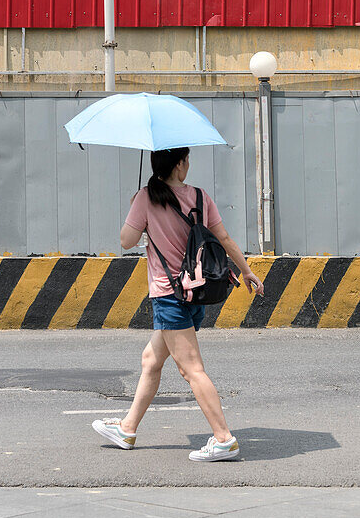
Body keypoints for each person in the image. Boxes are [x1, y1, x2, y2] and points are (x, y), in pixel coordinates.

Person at [92, 146, 264, 462]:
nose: (188, 165)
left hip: (169, 295)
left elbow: (125, 241)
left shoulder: (146, 197)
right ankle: (127, 429)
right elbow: (224, 239)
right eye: (186, 160)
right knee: (151, 359)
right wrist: (247, 270)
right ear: (179, 164)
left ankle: (223, 438)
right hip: (197, 292)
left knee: (191, 369)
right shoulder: (200, 197)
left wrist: (136, 210)